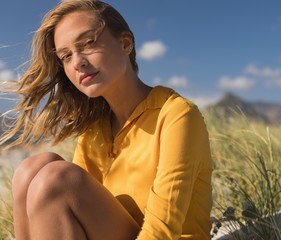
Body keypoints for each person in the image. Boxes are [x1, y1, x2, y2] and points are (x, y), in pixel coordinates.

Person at [1, 0, 213, 239]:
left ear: (125, 43)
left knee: (55, 180)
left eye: (88, 43)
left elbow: (163, 231)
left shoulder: (177, 115)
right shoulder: (94, 130)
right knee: (30, 170)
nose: (77, 62)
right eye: (66, 56)